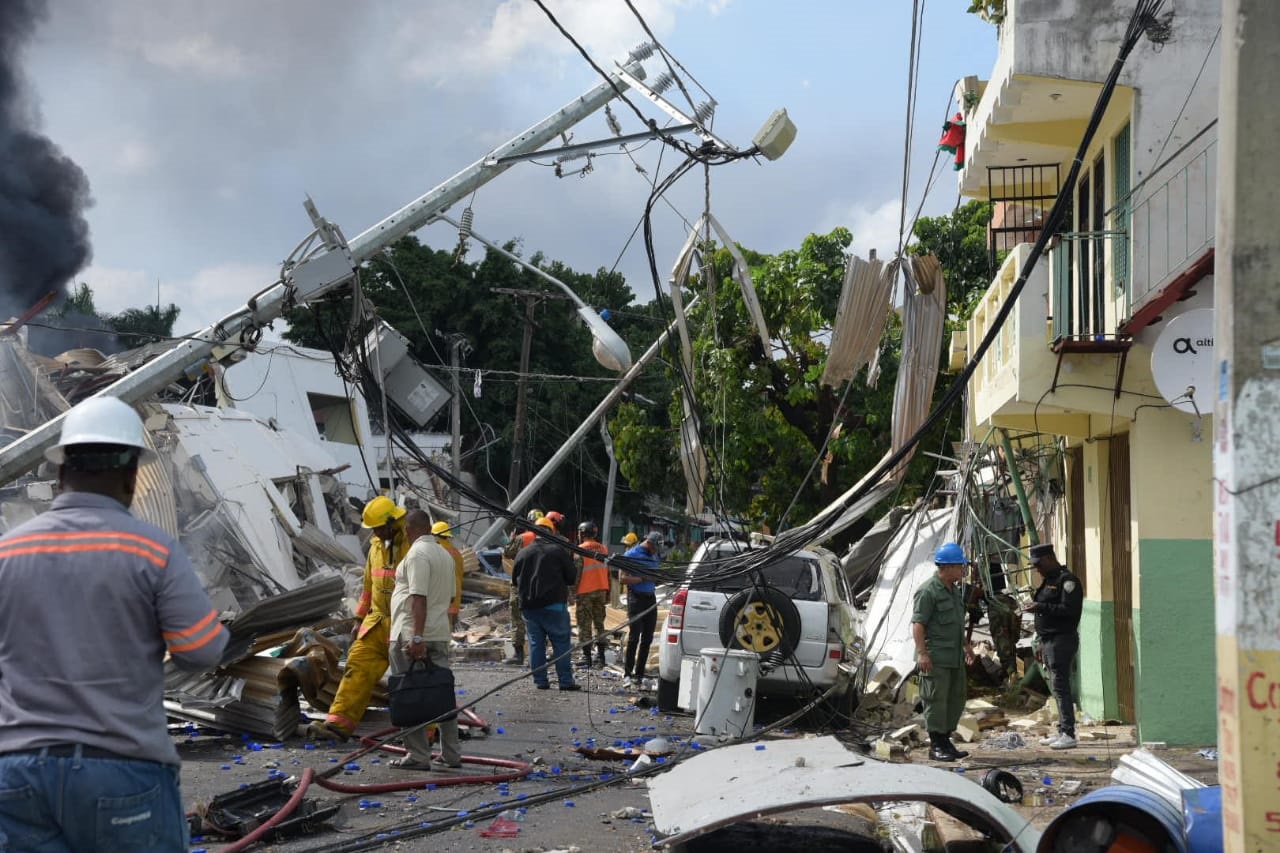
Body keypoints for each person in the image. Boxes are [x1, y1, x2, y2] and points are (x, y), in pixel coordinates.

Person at [0, 396, 228, 851]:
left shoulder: (8, 551)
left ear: (61, 471)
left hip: (17, 773)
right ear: (131, 476)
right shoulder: (152, 550)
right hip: (121, 769)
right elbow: (200, 650)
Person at [308, 495, 408, 741]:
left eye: (379, 528)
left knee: (411, 680)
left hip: (404, 624)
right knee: (356, 669)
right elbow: (367, 588)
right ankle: (337, 725)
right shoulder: (376, 546)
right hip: (375, 623)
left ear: (392, 522)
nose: (376, 533)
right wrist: (358, 619)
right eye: (373, 529)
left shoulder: (413, 544)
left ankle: (424, 730)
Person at [388, 511, 462, 771]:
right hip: (439, 633)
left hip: (413, 635)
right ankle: (451, 754)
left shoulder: (417, 555)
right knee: (442, 694)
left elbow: (418, 597)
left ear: (409, 530)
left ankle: (418, 756)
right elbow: (451, 597)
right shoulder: (444, 554)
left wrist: (417, 636)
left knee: (409, 694)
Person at [912, 542, 976, 762]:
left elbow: (957, 623)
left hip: (954, 657)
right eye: (960, 566)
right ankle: (936, 745)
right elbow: (918, 625)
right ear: (947, 567)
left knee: (955, 699)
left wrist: (966, 647)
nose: (963, 570)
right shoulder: (928, 591)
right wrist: (922, 654)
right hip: (936, 658)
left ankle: (946, 741)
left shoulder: (953, 590)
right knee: (936, 701)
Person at [1024, 543, 1084, 750]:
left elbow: (1069, 610)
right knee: (1056, 688)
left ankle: (1068, 733)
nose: (1037, 569)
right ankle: (1061, 730)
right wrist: (1040, 641)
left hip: (1062, 640)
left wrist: (1040, 606)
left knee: (1061, 687)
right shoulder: (1049, 580)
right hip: (1048, 640)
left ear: (1050, 558)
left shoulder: (1067, 581)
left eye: (1039, 564)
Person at [511, 516, 581, 691]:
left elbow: (514, 580)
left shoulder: (523, 552)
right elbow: (572, 578)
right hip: (554, 606)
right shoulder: (558, 551)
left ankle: (541, 681)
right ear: (552, 532)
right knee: (561, 644)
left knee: (536, 644)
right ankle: (565, 682)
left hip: (529, 607)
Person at [619, 531, 662, 687]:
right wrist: (642, 578)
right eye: (655, 548)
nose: (656, 552)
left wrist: (656, 579)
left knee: (647, 638)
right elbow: (622, 578)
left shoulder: (655, 555)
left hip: (650, 597)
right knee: (634, 637)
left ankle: (639, 674)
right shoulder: (631, 555)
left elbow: (656, 574)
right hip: (635, 597)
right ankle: (628, 673)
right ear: (649, 543)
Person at [501, 509, 543, 665]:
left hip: (520, 584)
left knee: (517, 619)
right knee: (538, 620)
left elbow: (507, 552)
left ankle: (518, 655)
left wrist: (513, 537)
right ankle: (538, 655)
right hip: (540, 585)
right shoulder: (549, 539)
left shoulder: (522, 538)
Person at [574, 521, 610, 669]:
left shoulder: (580, 549)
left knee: (584, 624)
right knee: (600, 623)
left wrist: (571, 592)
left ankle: (586, 657)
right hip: (601, 589)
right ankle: (601, 658)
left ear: (582, 534)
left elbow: (577, 573)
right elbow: (606, 570)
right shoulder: (604, 548)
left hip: (585, 591)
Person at [432, 520, 464, 631]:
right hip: (456, 593)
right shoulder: (456, 552)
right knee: (450, 628)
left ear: (435, 535)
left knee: (440, 630)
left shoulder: (436, 550)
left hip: (442, 595)